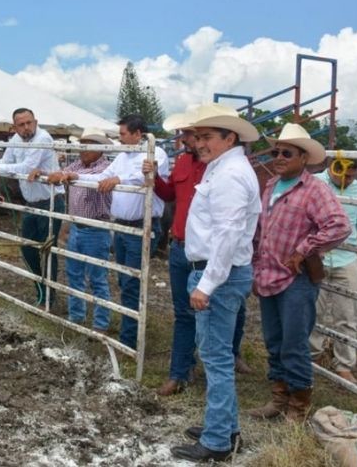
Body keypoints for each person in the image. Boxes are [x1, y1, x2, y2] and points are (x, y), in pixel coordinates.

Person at [168, 103, 261, 463]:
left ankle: (218, 440)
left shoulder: (229, 175)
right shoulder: (225, 169)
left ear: (229, 138)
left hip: (217, 274)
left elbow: (227, 235)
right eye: (199, 136)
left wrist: (205, 285)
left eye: (207, 137)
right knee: (217, 355)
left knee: (216, 358)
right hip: (218, 271)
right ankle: (225, 426)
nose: (199, 143)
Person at [247, 123, 351, 424]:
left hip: (297, 280)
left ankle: (298, 405)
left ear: (303, 158)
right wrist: (256, 267)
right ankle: (279, 397)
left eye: (286, 152)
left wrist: (304, 248)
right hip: (268, 275)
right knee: (274, 341)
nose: (279, 157)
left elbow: (338, 224)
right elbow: (260, 234)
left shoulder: (314, 189)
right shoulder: (269, 187)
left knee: (294, 343)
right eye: (276, 151)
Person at [148, 109, 250, 398]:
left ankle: (227, 358)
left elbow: (230, 225)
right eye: (191, 135)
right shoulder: (183, 163)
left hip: (213, 254)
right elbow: (169, 196)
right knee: (183, 312)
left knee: (228, 310)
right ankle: (180, 371)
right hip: (182, 247)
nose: (186, 139)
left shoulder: (223, 169)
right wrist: (154, 177)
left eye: (193, 135)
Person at [67, 114, 169, 349]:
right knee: (124, 280)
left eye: (123, 134)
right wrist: (77, 176)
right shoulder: (123, 155)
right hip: (122, 227)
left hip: (141, 226)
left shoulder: (156, 154)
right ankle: (129, 330)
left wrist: (118, 179)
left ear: (137, 134)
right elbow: (104, 177)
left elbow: (144, 178)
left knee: (131, 282)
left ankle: (128, 341)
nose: (119, 138)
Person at [0, 108, 66, 307]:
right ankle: (41, 289)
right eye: (21, 124)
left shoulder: (43, 138)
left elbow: (27, 167)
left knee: (47, 249)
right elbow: (7, 161)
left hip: (50, 200)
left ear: (35, 121)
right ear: (15, 126)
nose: (26, 127)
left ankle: (49, 295)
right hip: (32, 202)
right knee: (27, 248)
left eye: (29, 123)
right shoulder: (16, 139)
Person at [38, 127, 113, 330]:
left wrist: (68, 175)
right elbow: (63, 174)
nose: (83, 150)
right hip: (77, 227)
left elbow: (78, 177)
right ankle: (76, 316)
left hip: (96, 228)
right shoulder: (77, 165)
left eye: (88, 146)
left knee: (97, 278)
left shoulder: (105, 168)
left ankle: (100, 323)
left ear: (100, 148)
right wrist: (44, 174)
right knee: (74, 274)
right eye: (82, 145)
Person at [308, 157, 357, 384]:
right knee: (313, 311)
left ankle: (344, 365)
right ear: (333, 165)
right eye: (344, 173)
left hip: (347, 258)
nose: (347, 179)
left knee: (347, 315)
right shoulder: (314, 182)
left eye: (352, 175)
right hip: (318, 257)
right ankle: (311, 358)